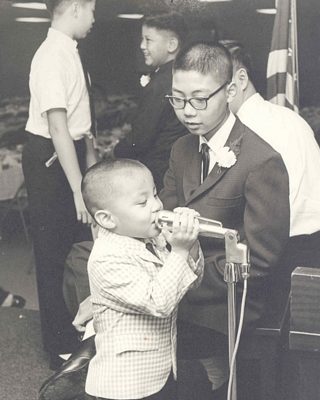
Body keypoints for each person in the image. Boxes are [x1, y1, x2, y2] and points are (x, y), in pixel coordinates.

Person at [159, 42, 290, 399]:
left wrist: (181, 280)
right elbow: (166, 223)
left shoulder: (262, 160)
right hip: (185, 281)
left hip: (229, 295)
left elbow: (260, 259)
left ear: (230, 91)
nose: (187, 111)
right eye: (177, 99)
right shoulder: (182, 149)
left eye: (199, 99)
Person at [81, 159, 204, 400]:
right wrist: (178, 251)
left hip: (158, 372)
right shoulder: (106, 259)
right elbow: (159, 302)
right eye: (142, 202)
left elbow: (189, 283)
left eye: (155, 195)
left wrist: (191, 245)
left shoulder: (150, 239)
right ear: (107, 219)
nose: (157, 206)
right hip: (123, 386)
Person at [22, 0, 97, 369]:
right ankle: (60, 346)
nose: (95, 18)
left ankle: (76, 331)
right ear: (77, 8)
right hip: (51, 158)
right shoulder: (51, 54)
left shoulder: (68, 50)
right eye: (93, 10)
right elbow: (57, 127)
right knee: (52, 254)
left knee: (70, 250)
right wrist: (76, 188)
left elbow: (78, 124)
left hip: (68, 150)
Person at [225, 42, 320, 277]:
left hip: (284, 248)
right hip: (316, 240)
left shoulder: (246, 130)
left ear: (241, 79)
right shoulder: (289, 117)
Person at [114, 12, 188, 191]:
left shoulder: (161, 84)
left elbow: (140, 139)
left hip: (158, 173)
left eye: (148, 40)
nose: (142, 46)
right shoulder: (180, 75)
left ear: (171, 45)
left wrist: (115, 152)